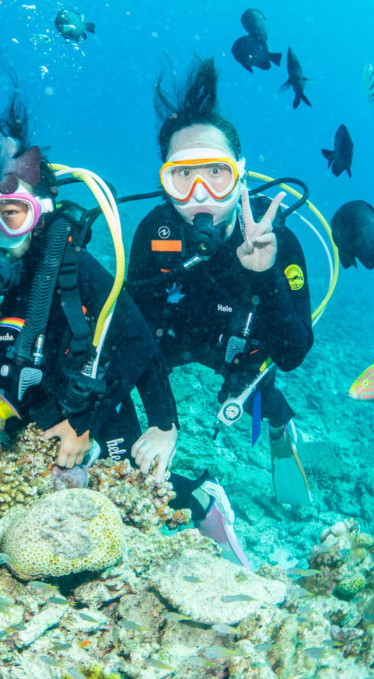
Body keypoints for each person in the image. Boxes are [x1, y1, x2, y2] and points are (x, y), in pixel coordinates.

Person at [0, 96, 252, 565]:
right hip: (11, 411)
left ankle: (201, 497)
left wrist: (98, 424)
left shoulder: (68, 263)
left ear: (38, 214)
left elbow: (138, 341)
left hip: (85, 401)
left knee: (126, 494)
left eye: (11, 213)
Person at [126, 57, 314, 511]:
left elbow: (291, 354)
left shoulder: (275, 239)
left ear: (240, 173)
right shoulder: (155, 231)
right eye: (182, 175)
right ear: (166, 182)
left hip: (238, 348)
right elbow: (133, 334)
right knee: (119, 378)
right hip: (172, 341)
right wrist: (164, 422)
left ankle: (279, 427)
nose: (200, 194)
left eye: (216, 172)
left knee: (252, 395)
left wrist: (264, 273)